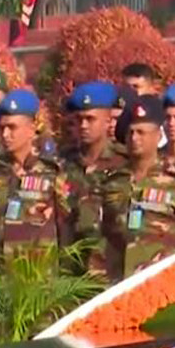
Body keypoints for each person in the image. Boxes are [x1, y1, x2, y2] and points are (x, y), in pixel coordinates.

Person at [100, 95, 175, 282]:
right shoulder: (112, 182)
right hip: (117, 284)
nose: (134, 138)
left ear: (157, 135)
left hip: (162, 284)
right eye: (130, 133)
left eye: (141, 132)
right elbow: (101, 238)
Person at [0, 89, 71, 263]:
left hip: (38, 277)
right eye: (2, 128)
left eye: (12, 127)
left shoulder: (52, 173)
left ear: (31, 129)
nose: (5, 135)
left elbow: (66, 230)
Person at [61, 81, 125, 253]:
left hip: (108, 265)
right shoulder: (62, 162)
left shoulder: (125, 162)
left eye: (90, 119)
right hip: (69, 263)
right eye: (79, 119)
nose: (83, 126)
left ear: (107, 121)